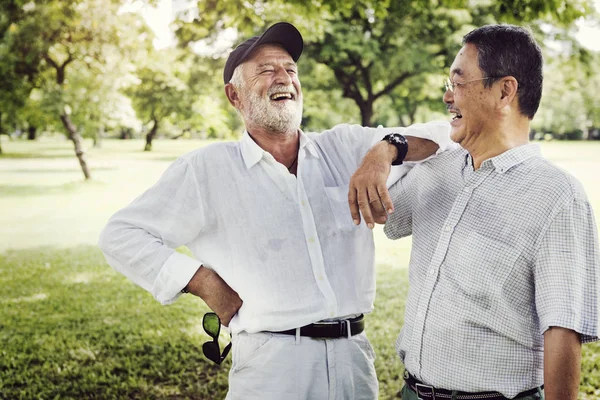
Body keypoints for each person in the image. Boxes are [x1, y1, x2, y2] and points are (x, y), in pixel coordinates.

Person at [98, 22, 453, 399]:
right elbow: (121, 235)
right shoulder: (206, 170)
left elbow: (446, 135)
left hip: (354, 361)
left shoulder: (344, 146)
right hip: (272, 368)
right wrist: (200, 280)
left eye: (290, 69)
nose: (283, 78)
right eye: (266, 70)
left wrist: (386, 150)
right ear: (234, 96)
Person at [349, 24, 599, 400]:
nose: (448, 96)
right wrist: (386, 148)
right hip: (411, 392)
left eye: (459, 82)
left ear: (504, 91)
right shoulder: (440, 167)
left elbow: (563, 330)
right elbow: (382, 212)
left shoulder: (557, 196)